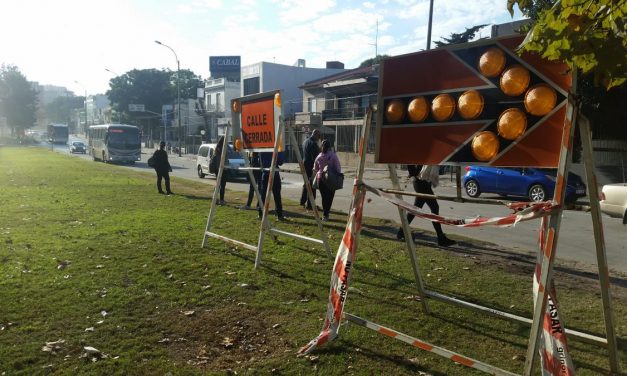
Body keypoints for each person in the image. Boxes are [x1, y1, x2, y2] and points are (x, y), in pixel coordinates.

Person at [396, 165, 456, 246]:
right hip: (421, 183)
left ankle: (402, 232)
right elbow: (412, 169)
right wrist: (419, 169)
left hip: (423, 183)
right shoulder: (415, 154)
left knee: (416, 209)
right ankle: (441, 238)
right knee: (434, 208)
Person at [313, 140, 341, 221]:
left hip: (321, 180)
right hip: (331, 180)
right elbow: (338, 167)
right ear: (330, 147)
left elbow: (315, 169)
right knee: (330, 197)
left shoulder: (318, 156)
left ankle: (325, 215)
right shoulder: (333, 155)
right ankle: (326, 213)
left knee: (324, 198)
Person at [258, 150, 285, 221]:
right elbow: (280, 162)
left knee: (263, 195)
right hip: (274, 173)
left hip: (265, 172)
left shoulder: (263, 148)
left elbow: (260, 161)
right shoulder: (276, 148)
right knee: (277, 195)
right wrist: (281, 152)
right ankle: (279, 215)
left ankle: (260, 213)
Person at [300, 129, 321, 210]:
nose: (319, 138)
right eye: (319, 136)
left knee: (306, 183)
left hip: (304, 165)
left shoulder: (305, 142)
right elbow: (316, 158)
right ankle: (310, 205)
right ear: (315, 134)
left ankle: (302, 201)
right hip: (311, 166)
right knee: (312, 185)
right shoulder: (313, 144)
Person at [214, 136, 228, 205]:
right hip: (223, 168)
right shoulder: (223, 149)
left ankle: (215, 199)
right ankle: (221, 200)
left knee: (218, 185)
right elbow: (225, 159)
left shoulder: (217, 148)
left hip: (217, 169)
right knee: (222, 185)